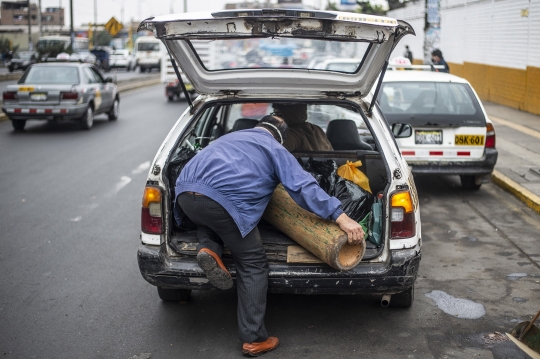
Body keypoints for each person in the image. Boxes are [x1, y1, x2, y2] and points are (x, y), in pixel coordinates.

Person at [175, 115, 364, 356]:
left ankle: (209, 247)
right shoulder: (274, 147)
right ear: (281, 138)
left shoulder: (227, 138)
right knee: (253, 262)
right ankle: (253, 338)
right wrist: (340, 216)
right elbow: (303, 187)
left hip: (185, 195)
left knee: (211, 214)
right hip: (222, 204)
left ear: (258, 127)